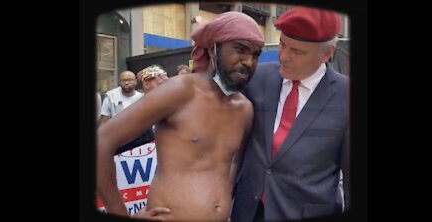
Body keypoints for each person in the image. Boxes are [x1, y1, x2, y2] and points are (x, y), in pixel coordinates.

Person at [96, 11, 264, 221]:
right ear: (213, 49)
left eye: (256, 54)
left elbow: (232, 165)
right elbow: (101, 142)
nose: (248, 61)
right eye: (240, 49)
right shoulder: (179, 91)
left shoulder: (244, 109)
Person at [231, 6, 350, 221]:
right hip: (248, 211)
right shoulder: (257, 77)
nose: (284, 57)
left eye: (297, 51)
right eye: (282, 44)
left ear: (326, 53)